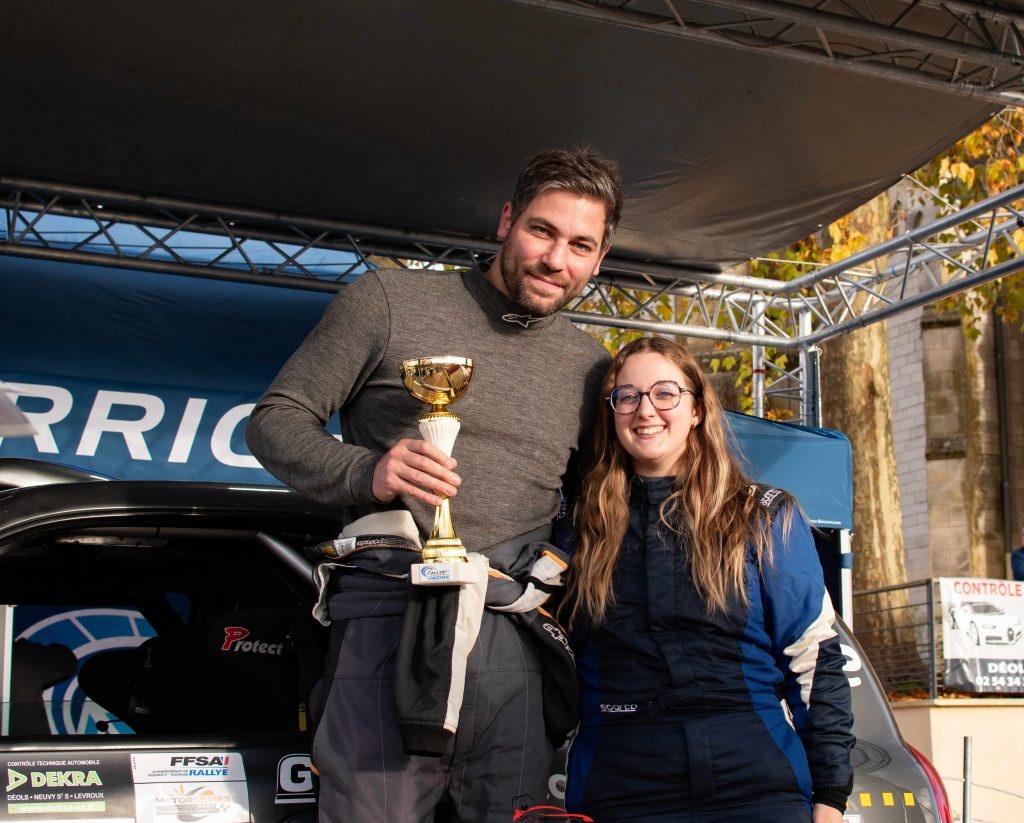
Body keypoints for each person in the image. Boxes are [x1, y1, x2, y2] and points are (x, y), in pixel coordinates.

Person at [245, 147, 621, 822]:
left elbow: (597, 508)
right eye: (541, 230)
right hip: (390, 614)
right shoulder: (387, 300)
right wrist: (367, 471)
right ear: (506, 221)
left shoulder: (591, 367)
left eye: (579, 245)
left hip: (513, 635)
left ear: (599, 258)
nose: (554, 259)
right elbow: (274, 421)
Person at [562, 337, 854, 823]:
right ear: (612, 414)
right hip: (621, 784)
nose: (645, 410)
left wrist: (830, 794)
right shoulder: (579, 525)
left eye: (665, 393)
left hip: (755, 781)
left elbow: (815, 658)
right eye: (627, 396)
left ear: (697, 409)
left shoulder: (763, 515)